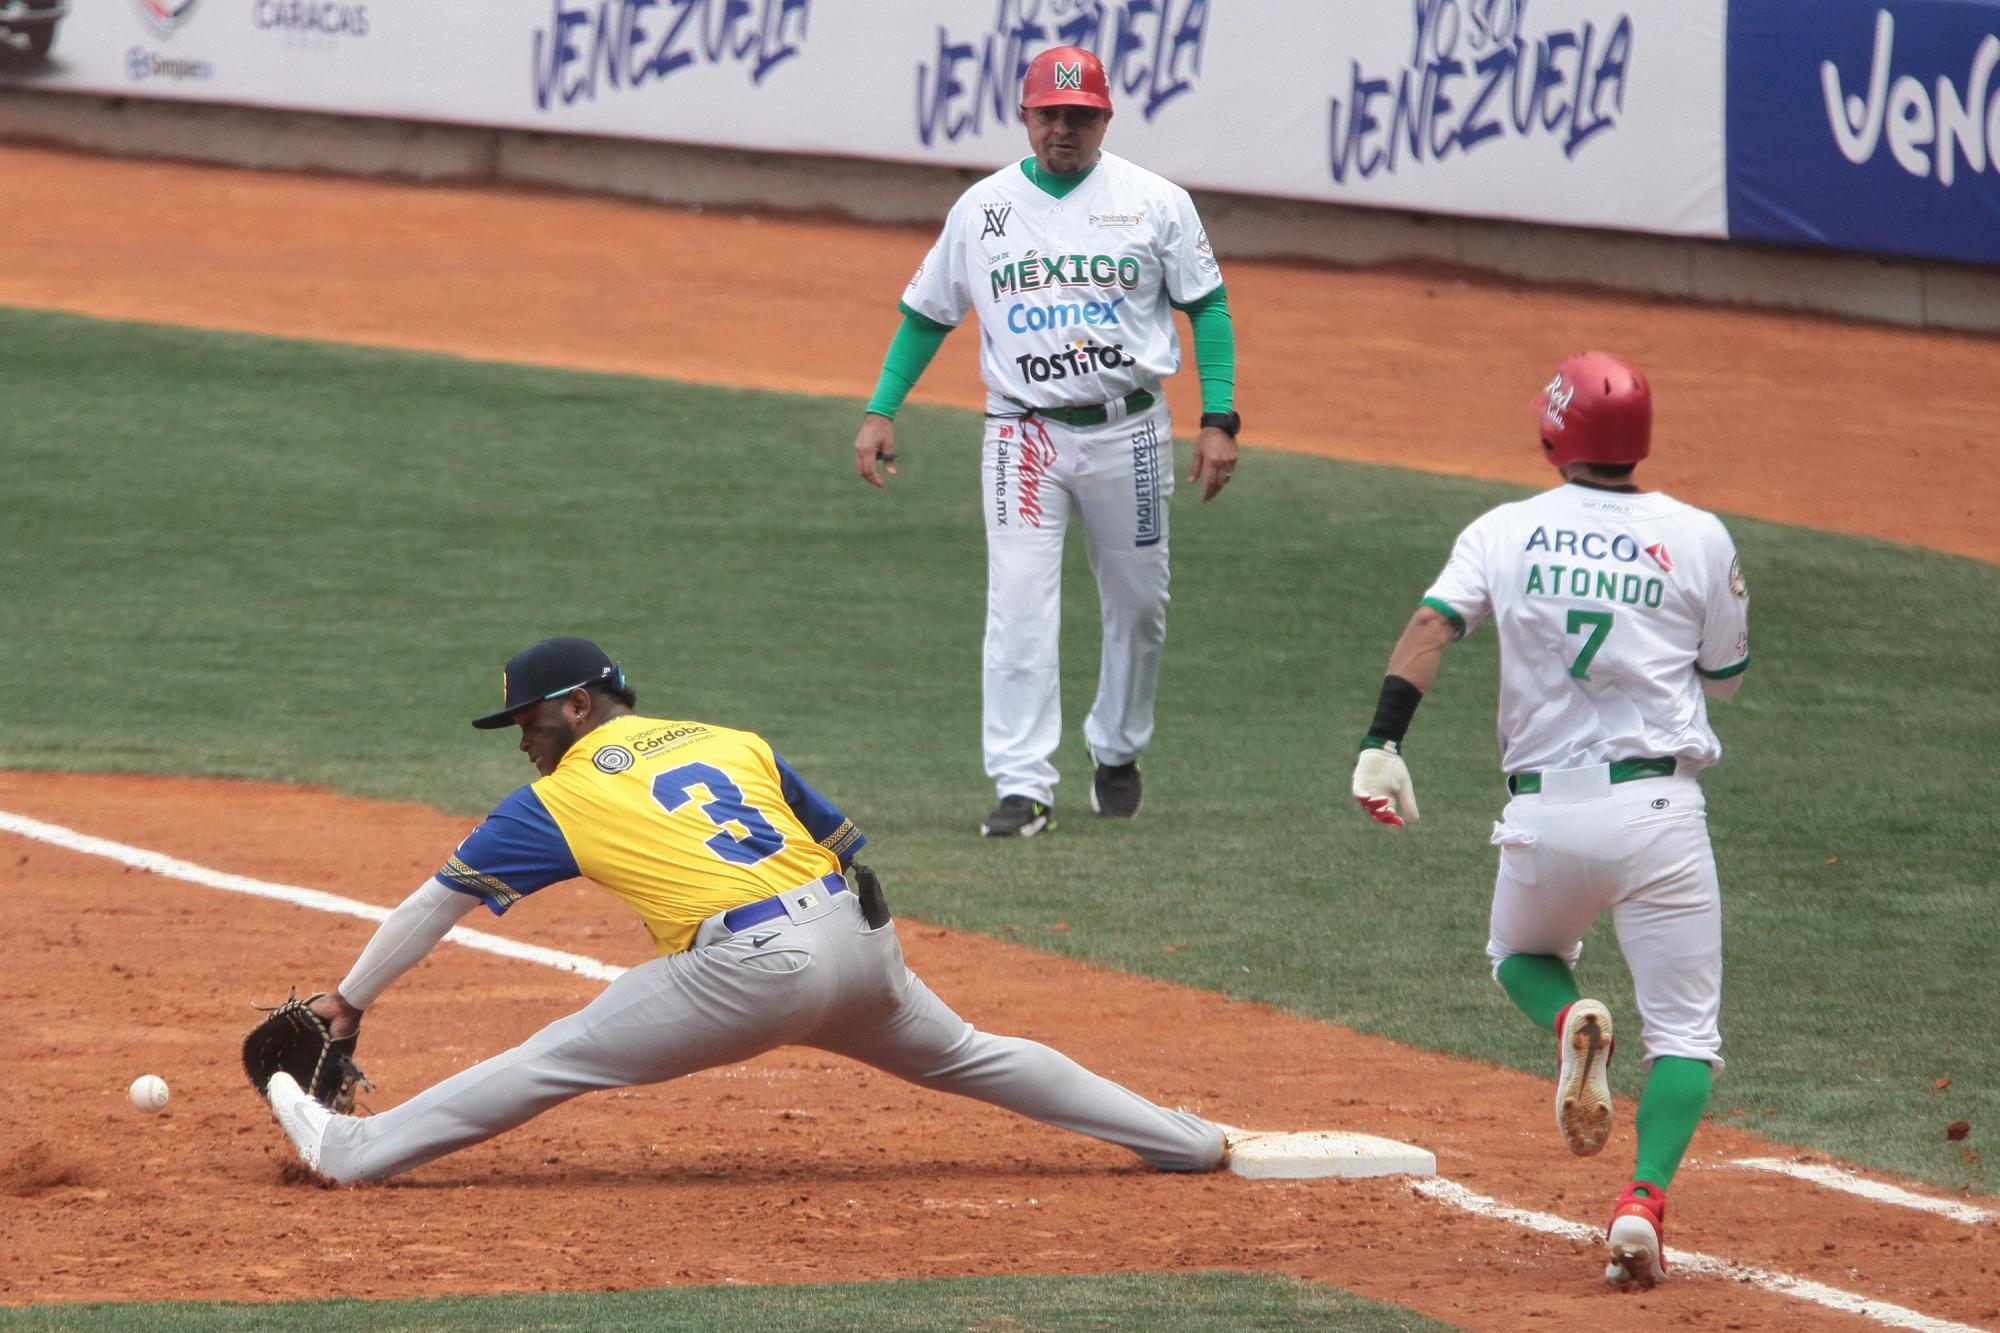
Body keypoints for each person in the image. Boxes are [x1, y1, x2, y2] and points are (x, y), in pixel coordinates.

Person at [259, 635, 1228, 1183]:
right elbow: (846, 848)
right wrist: (867, 953)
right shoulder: (731, 740)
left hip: (752, 969)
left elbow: (437, 904)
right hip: (859, 943)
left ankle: (355, 1150)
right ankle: (1178, 1138)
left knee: (556, 1055)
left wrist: (347, 999)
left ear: (581, 705)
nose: (520, 738)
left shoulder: (558, 794)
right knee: (973, 1052)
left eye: (528, 717)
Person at [1347, 353, 1750, 1289]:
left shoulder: (1504, 528)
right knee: (1686, 1036)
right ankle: (1642, 1201)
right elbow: (1725, 675)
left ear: (1554, 431)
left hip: (1546, 813)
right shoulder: (1699, 535)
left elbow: (1430, 629)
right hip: (1662, 812)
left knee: (1518, 955)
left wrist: (1383, 743)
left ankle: (1574, 1016)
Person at [851, 44, 1242, 838]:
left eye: (1080, 116)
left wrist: (1219, 416)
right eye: (1049, 114)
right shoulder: (982, 209)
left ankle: (1119, 746)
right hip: (1021, 434)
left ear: (1105, 118)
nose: (1063, 129)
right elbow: (930, 312)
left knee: (1140, 607)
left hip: (1129, 428)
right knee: (1020, 607)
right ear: (1025, 116)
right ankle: (1023, 783)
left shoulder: (1155, 201)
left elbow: (1207, 304)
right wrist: (881, 407)